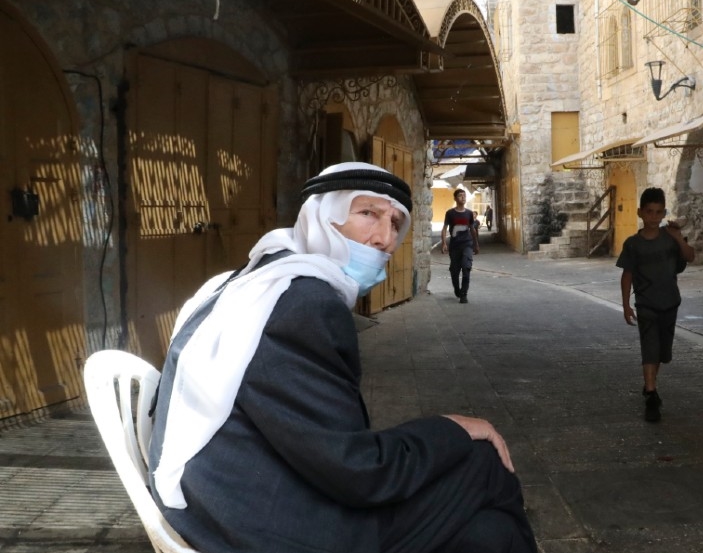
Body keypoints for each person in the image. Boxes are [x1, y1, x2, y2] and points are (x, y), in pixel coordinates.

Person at [147, 163, 536, 553]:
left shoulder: (253, 278)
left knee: (490, 534)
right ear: (322, 216)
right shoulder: (306, 304)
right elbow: (359, 471)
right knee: (484, 464)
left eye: (395, 223)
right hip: (262, 525)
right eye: (368, 213)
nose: (384, 238)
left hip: (226, 497)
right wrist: (450, 426)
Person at [616, 187, 695, 423]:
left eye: (658, 212)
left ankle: (650, 384)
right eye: (649, 212)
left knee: (661, 351)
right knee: (649, 347)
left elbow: (689, 257)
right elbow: (627, 275)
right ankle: (651, 393)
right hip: (646, 304)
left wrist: (679, 237)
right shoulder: (633, 244)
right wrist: (626, 304)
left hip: (670, 302)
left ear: (663, 213)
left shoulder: (670, 239)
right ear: (640, 212)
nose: (654, 217)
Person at [441, 188, 479, 304]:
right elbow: (444, 229)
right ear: (455, 198)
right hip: (454, 246)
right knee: (454, 271)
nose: (463, 197)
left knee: (466, 267)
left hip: (467, 244)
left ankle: (464, 294)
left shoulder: (469, 213)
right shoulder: (450, 213)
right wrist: (443, 243)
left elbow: (472, 229)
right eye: (460, 196)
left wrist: (476, 244)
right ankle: (457, 289)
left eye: (464, 196)